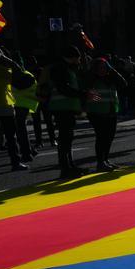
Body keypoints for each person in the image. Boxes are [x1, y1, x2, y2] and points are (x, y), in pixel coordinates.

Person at [83, 57, 128, 172]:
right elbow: (84, 89)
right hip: (96, 112)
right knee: (101, 136)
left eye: (105, 67)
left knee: (110, 137)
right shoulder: (91, 79)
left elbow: (124, 83)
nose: (103, 70)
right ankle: (100, 162)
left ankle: (106, 160)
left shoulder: (111, 78)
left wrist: (113, 70)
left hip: (111, 111)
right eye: (100, 68)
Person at [47, 46, 85, 177]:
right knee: (65, 138)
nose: (79, 60)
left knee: (67, 138)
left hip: (65, 107)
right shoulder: (61, 68)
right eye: (78, 57)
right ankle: (65, 168)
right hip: (62, 107)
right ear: (73, 57)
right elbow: (64, 88)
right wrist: (81, 94)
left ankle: (70, 166)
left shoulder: (64, 68)